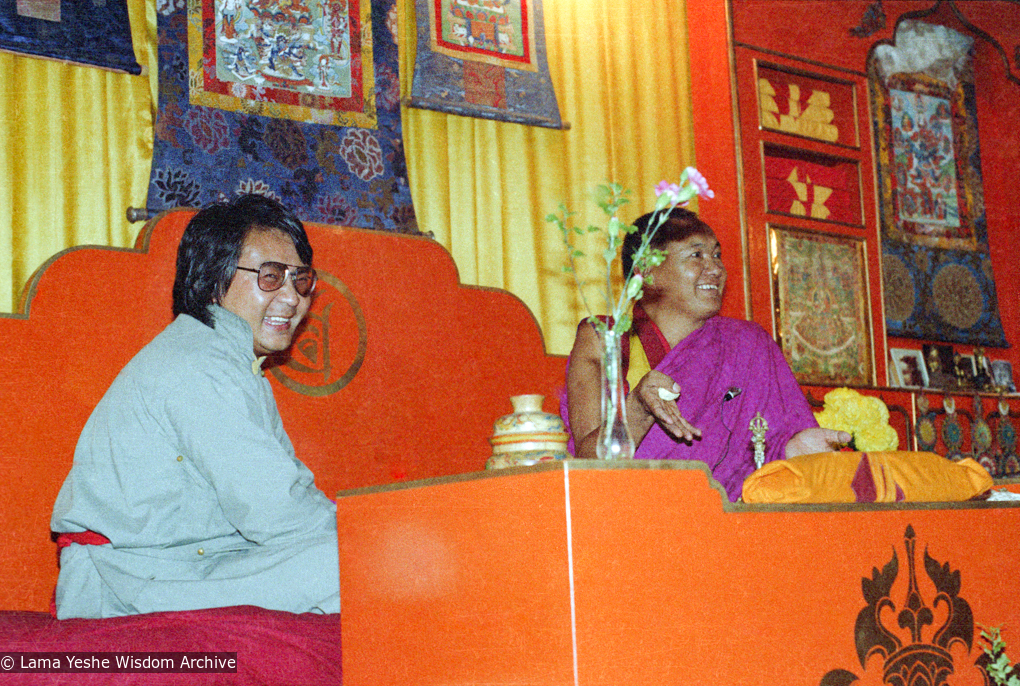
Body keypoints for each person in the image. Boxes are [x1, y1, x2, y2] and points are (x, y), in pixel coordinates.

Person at [50, 194, 340, 619]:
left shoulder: (227, 357)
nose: (293, 298)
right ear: (212, 278)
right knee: (351, 566)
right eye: (271, 276)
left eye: (300, 280)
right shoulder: (200, 364)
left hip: (180, 566)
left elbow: (284, 500)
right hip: (126, 579)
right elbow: (275, 512)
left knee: (356, 560)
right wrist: (364, 539)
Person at [563, 207, 849, 501]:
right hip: (632, 516)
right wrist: (637, 407)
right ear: (645, 270)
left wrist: (794, 449)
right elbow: (588, 465)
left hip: (728, 521)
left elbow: (767, 448)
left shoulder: (747, 345)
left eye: (716, 255)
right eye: (696, 255)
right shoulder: (606, 339)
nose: (716, 269)